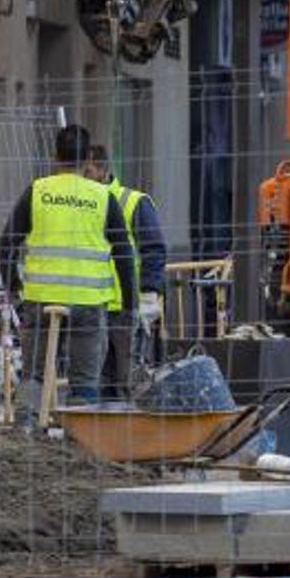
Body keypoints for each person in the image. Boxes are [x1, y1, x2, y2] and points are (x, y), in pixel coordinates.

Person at [0, 124, 135, 411]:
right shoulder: (101, 197)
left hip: (40, 300)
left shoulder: (37, 192)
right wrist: (129, 302)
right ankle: (79, 442)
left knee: (34, 375)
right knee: (84, 381)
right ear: (87, 160)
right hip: (88, 304)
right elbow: (123, 252)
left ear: (55, 157)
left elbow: (7, 244)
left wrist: (14, 289)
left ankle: (28, 433)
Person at [86, 144, 167, 398]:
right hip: (93, 307)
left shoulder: (133, 202)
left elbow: (154, 249)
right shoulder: (83, 204)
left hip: (126, 309)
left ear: (102, 170)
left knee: (129, 381)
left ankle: (133, 433)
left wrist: (149, 293)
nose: (82, 176)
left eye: (87, 171)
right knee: (97, 381)